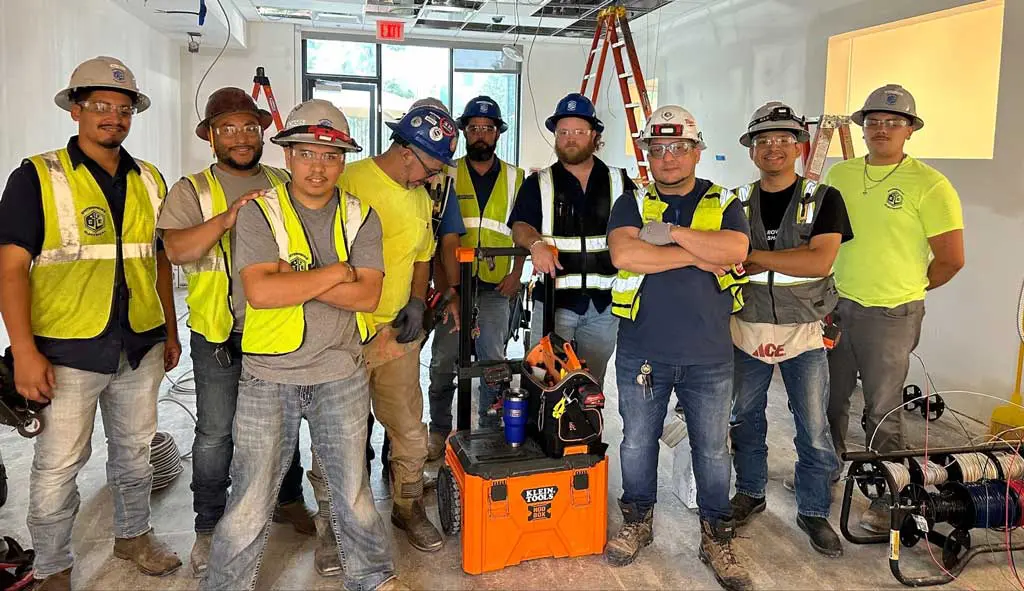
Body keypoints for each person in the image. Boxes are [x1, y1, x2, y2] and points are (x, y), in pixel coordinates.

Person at [200, 99, 404, 591]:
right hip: (269, 377)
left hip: (340, 374)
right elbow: (263, 293)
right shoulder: (259, 214)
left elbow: (368, 294)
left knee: (352, 492)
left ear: (343, 161)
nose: (319, 165)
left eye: (331, 155)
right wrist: (336, 273)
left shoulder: (361, 216)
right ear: (288, 154)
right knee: (250, 497)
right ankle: (225, 585)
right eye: (307, 152)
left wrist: (302, 278)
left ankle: (374, 577)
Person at [0, 56, 182, 590]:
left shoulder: (150, 178)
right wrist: (25, 351)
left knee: (135, 451)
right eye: (100, 105)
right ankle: (54, 566)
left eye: (123, 108)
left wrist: (170, 330)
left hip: (139, 344)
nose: (113, 117)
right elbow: (11, 270)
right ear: (76, 109)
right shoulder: (38, 177)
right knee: (59, 466)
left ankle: (133, 536)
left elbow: (161, 260)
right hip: (66, 350)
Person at [155, 86, 314, 577]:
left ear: (262, 132)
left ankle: (287, 500)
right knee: (215, 436)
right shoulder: (192, 190)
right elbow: (177, 250)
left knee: (279, 425)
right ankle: (208, 526)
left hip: (276, 328)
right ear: (211, 137)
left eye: (249, 126)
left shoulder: (282, 181)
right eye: (228, 128)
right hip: (218, 333)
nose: (241, 137)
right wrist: (228, 218)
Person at [605, 105, 752, 590]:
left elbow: (734, 252)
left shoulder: (724, 201)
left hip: (709, 354)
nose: (667, 157)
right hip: (643, 351)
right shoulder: (631, 202)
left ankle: (716, 536)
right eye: (658, 148)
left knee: (712, 449)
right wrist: (699, 255)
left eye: (678, 148)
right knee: (636, 441)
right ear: (647, 154)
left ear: (696, 151)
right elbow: (626, 254)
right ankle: (637, 521)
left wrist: (668, 237)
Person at [824, 84, 964, 532]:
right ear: (862, 128)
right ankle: (823, 469)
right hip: (836, 304)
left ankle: (892, 495)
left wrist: (906, 290)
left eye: (893, 122)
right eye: (874, 122)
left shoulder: (930, 184)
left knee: (882, 408)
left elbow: (951, 258)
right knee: (827, 397)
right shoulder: (840, 175)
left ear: (910, 130)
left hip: (891, 315)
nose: (882, 129)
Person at [728, 101, 851, 557]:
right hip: (747, 328)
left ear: (799, 146)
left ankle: (814, 510)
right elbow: (725, 259)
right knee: (745, 418)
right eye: (764, 140)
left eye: (783, 139)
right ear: (751, 151)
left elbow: (819, 260)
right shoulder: (735, 202)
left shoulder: (824, 199)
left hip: (804, 332)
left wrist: (757, 256)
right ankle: (751, 491)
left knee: (814, 426)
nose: (773, 148)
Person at [337, 104, 459, 553]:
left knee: (408, 428)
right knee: (341, 433)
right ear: (407, 152)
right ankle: (336, 523)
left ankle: (407, 508)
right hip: (342, 335)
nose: (433, 177)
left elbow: (423, 254)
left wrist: (414, 300)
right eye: (430, 166)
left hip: (395, 336)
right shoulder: (349, 181)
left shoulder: (420, 195)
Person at [508, 93, 634, 388]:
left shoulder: (619, 180)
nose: (570, 139)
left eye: (578, 132)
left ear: (594, 136)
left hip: (604, 306)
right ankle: (541, 433)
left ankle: (583, 433)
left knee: (590, 384)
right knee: (543, 380)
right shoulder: (539, 182)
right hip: (554, 301)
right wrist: (536, 244)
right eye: (563, 132)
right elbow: (520, 225)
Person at [427, 95, 525, 455]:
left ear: (498, 133)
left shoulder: (516, 177)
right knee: (443, 359)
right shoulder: (445, 172)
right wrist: (444, 286)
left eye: (488, 128)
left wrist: (518, 272)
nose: (481, 134)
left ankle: (490, 423)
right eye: (474, 128)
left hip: (498, 284)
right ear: (464, 132)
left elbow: (523, 228)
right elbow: (434, 231)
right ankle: (439, 429)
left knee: (493, 360)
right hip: (455, 285)